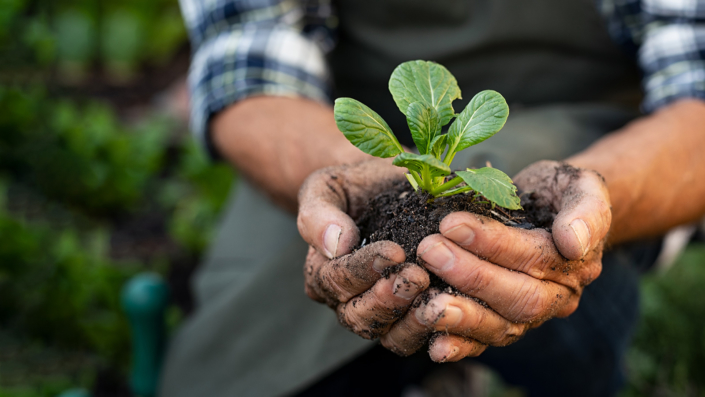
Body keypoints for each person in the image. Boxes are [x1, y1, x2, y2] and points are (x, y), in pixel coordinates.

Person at [160, 0, 705, 395]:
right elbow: (245, 69)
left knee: (530, 252)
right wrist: (348, 181)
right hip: (328, 143)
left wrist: (592, 205)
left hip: (593, 136)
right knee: (243, 358)